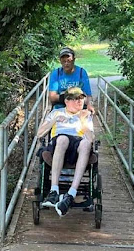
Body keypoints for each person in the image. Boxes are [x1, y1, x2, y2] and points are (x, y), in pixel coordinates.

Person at [37, 87, 94, 217]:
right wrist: (54, 120)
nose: (79, 101)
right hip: (59, 143)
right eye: (75, 99)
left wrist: (83, 120)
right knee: (63, 139)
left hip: (78, 146)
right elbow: (39, 133)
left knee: (86, 143)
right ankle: (54, 191)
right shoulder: (56, 113)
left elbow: (90, 139)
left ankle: (71, 193)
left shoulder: (85, 115)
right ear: (67, 101)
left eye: (81, 98)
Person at [49, 47, 95, 114]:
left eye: (68, 60)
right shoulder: (56, 73)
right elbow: (52, 97)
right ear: (60, 61)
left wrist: (89, 104)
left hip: (79, 108)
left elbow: (88, 96)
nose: (66, 63)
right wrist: (71, 97)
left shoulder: (82, 73)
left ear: (73, 60)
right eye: (63, 61)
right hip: (60, 108)